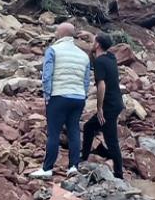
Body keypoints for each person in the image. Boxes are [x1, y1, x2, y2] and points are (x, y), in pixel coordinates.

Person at [29, 22, 91, 179]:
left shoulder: (53, 50)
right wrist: (83, 95)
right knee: (74, 131)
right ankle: (73, 166)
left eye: (57, 31)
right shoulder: (84, 55)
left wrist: (47, 95)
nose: (55, 33)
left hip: (59, 96)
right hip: (78, 98)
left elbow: (47, 75)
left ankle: (47, 168)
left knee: (54, 133)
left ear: (62, 33)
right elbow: (86, 80)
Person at [80, 31, 125, 179]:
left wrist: (99, 108)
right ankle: (85, 157)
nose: (92, 43)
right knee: (89, 127)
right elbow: (97, 48)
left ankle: (119, 175)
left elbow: (101, 85)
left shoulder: (99, 62)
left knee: (111, 139)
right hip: (117, 102)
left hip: (109, 106)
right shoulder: (110, 57)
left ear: (98, 44)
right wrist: (90, 35)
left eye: (94, 41)